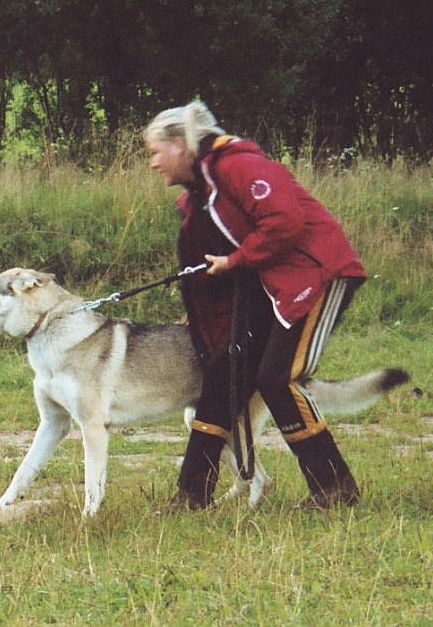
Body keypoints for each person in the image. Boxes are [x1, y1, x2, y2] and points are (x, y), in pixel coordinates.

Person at [144, 101, 367, 511]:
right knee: (222, 371)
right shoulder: (201, 191)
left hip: (317, 273)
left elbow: (284, 221)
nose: (153, 163)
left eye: (155, 152)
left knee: (278, 378)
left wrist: (236, 261)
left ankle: (336, 488)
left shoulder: (238, 166)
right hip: (271, 283)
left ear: (180, 145)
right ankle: (191, 495)